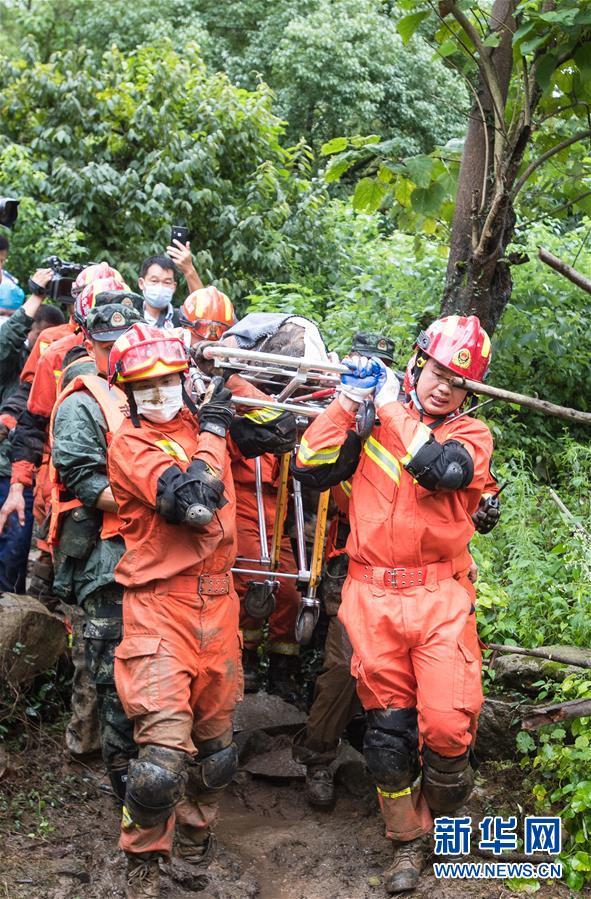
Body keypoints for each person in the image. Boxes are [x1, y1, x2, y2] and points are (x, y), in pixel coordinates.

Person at [292, 315, 494, 894]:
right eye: (436, 372)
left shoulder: (470, 437)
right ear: (416, 364)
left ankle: (451, 833)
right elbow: (312, 468)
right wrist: (346, 403)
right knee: (387, 737)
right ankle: (406, 843)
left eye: (456, 382)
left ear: (467, 393)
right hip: (371, 594)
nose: (443, 387)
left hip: (437, 595)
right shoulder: (372, 418)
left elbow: (442, 469)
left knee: (449, 727)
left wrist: (389, 404)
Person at [106, 324, 241, 898]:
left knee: (216, 753)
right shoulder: (132, 444)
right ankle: (142, 861)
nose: (158, 397)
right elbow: (193, 502)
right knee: (161, 761)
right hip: (160, 608)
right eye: (145, 389)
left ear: (184, 380)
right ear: (130, 395)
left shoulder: (201, 420)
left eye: (167, 384)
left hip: (220, 603)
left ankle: (194, 840)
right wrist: (214, 428)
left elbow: (289, 442)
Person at [293, 332, 396, 805]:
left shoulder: (410, 419)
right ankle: (318, 757)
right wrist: (348, 410)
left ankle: (401, 774)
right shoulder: (342, 414)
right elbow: (310, 467)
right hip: (354, 567)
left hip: (418, 578)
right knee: (342, 669)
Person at [50, 301, 141, 798]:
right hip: (104, 555)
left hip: (150, 550)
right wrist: (154, 499)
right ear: (90, 343)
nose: (117, 353)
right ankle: (121, 774)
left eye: (123, 342)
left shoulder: (146, 391)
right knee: (109, 668)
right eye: (107, 345)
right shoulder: (81, 404)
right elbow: (85, 481)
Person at [0, 277, 64, 593]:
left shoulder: (59, 361)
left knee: (15, 550)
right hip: (15, 467)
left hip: (29, 470)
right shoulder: (13, 358)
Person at [138, 248, 203, 329]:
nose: (160, 287)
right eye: (154, 281)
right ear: (141, 283)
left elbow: (203, 312)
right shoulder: (131, 317)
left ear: (174, 287)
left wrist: (189, 269)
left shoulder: (183, 320)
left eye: (167, 282)